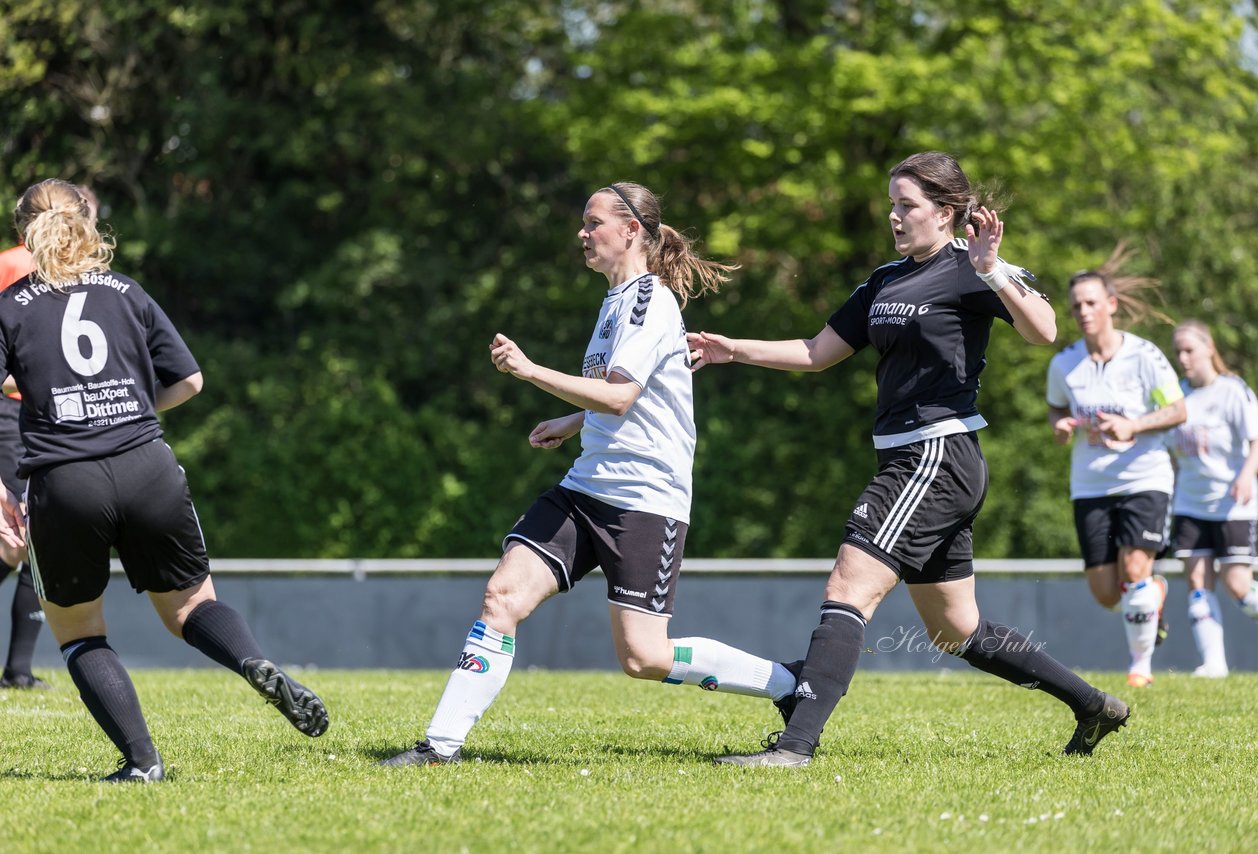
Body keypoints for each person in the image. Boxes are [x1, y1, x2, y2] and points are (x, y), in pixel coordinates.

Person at [688, 151, 1128, 767]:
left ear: (946, 213)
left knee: (849, 584)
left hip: (936, 453)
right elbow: (817, 351)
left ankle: (794, 746)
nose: (895, 217)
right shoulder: (883, 281)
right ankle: (1092, 704)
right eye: (892, 206)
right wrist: (732, 348)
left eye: (908, 206)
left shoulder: (974, 269)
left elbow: (1045, 330)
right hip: (913, 459)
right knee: (956, 631)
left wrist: (993, 269)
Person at [380, 181, 801, 767]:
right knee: (502, 595)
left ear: (631, 230)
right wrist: (574, 420)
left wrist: (530, 372)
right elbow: (628, 395)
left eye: (593, 222)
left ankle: (788, 685)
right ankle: (439, 747)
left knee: (643, 657)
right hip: (586, 487)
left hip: (644, 500)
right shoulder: (615, 301)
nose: (582, 232)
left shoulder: (649, 302)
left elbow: (622, 397)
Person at [0, 179, 329, 783]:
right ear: (87, 225)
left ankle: (142, 762)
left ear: (23, 234)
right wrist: (126, 412)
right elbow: (190, 381)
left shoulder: (8, 305)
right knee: (192, 606)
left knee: (78, 629)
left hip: (65, 480)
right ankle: (253, 661)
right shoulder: (128, 291)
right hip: (147, 466)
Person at [1046, 244, 1186, 689]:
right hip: (1090, 485)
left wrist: (1135, 425)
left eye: (1090, 303)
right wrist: (1062, 426)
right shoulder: (1065, 364)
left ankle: (1140, 666)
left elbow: (1178, 409)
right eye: (1076, 306)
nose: (1083, 311)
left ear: (1111, 305)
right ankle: (1153, 596)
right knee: (1107, 593)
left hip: (1145, 477)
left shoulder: (1144, 357)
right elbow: (1054, 408)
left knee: (1135, 569)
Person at [0, 188, 97, 688]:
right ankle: (17, 669)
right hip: (14, 415)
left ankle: (18, 669)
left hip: (41, 413)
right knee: (19, 538)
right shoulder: (23, 266)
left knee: (25, 541)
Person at [1167, 319, 1258, 676]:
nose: (1183, 358)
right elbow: (1169, 451)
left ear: (1209, 349)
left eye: (1189, 350)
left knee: (1237, 584)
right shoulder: (1175, 396)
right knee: (1198, 582)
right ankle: (1214, 663)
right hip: (1189, 503)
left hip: (1232, 503)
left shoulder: (1233, 390)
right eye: (1178, 351)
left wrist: (1246, 477)